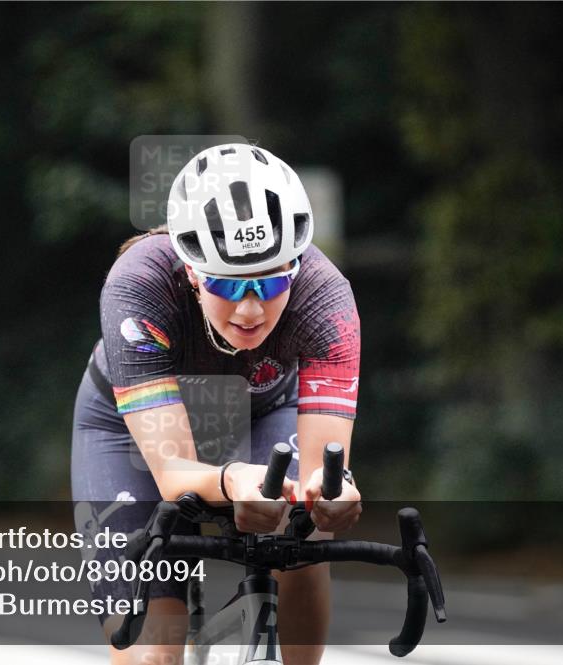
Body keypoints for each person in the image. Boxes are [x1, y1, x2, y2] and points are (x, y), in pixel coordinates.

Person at [71, 144, 362, 665]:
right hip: (132, 430)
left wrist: (331, 495)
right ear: (189, 270)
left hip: (264, 410)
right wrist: (230, 480)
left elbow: (322, 473)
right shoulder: (138, 285)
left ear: (296, 266)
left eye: (272, 280)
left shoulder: (326, 297)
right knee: (155, 648)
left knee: (305, 541)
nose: (250, 309)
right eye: (227, 282)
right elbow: (174, 471)